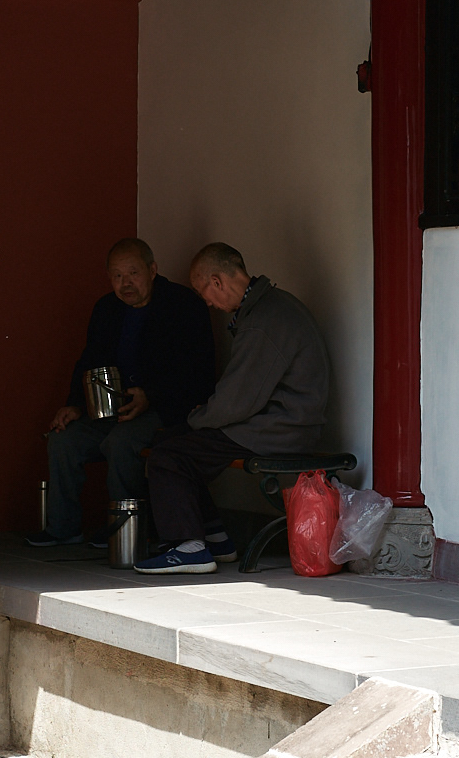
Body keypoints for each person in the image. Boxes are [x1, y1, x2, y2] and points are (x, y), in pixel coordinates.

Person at [136, 242, 331, 575]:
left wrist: (198, 417)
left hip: (280, 430)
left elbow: (236, 401)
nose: (208, 303)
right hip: (282, 424)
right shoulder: (270, 306)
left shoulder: (263, 320)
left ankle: (189, 547)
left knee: (168, 455)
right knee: (174, 443)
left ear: (217, 281)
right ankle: (216, 537)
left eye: (204, 293)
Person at [31, 236, 216, 548]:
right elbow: (89, 361)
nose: (125, 283)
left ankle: (126, 529)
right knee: (64, 439)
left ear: (152, 270)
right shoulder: (107, 308)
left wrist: (150, 395)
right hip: (113, 408)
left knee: (122, 442)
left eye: (133, 273)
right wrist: (74, 404)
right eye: (117, 275)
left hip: (168, 409)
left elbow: (197, 372)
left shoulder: (183, 305)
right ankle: (63, 527)